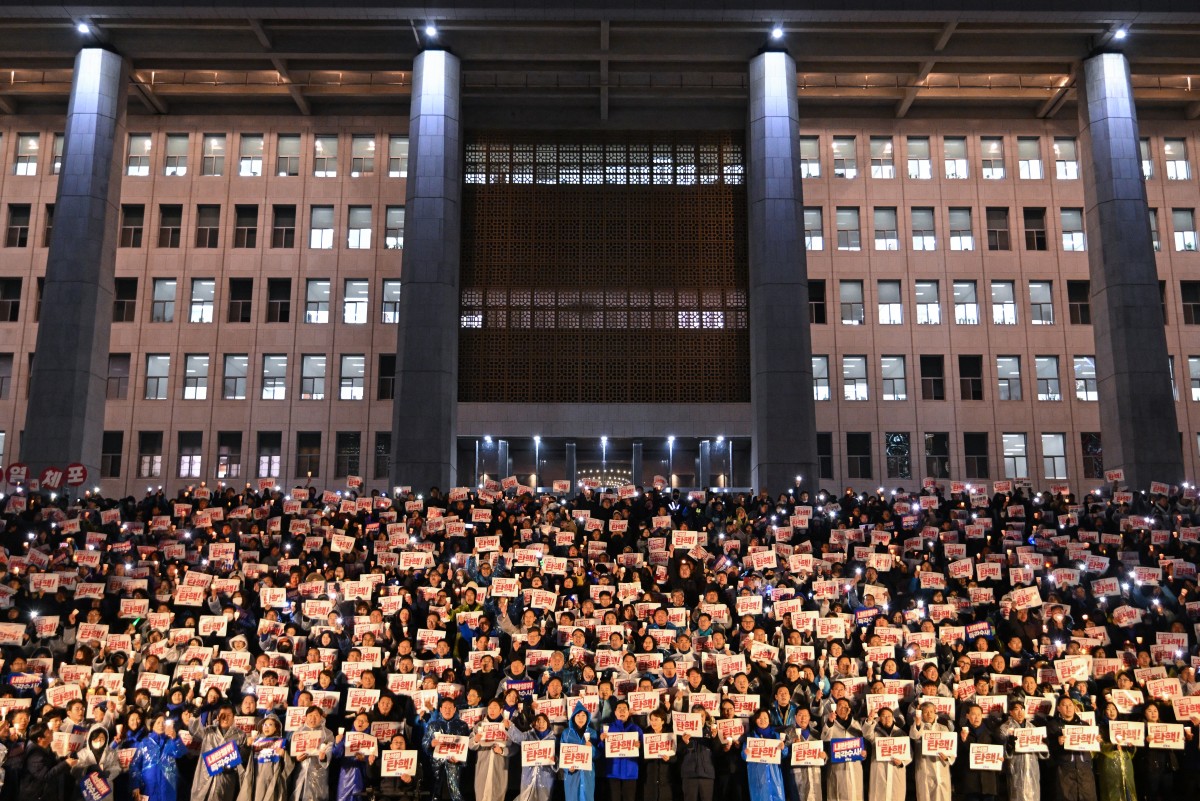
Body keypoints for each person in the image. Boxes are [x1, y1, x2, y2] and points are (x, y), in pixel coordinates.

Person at [190, 703, 248, 801]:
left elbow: (244, 757)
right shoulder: (209, 731)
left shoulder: (240, 735)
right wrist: (195, 717)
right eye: (222, 715)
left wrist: (233, 766)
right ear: (217, 717)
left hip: (225, 781)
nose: (225, 718)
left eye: (229, 715)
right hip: (204, 780)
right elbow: (194, 730)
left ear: (234, 717)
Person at [1047, 695, 1098, 801]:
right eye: (1064, 705)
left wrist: (1096, 739)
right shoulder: (1053, 726)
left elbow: (1092, 748)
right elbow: (1048, 748)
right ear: (1058, 708)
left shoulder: (1085, 725)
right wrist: (1057, 742)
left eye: (1070, 705)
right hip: (1065, 771)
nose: (1068, 708)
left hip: (1085, 770)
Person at [235, 716, 292, 801]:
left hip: (272, 778)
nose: (266, 727)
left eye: (270, 725)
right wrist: (247, 746)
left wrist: (284, 755)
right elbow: (243, 759)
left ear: (276, 728)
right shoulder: (256, 742)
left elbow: (289, 765)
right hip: (256, 778)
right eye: (264, 725)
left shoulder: (282, 742)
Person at [421, 699, 469, 801]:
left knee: (455, 792)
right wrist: (431, 744)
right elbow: (424, 743)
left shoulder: (462, 725)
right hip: (436, 765)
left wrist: (460, 760)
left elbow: (466, 746)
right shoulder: (433, 725)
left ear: (455, 709)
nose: (447, 710)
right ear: (441, 709)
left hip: (454, 764)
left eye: (450, 708)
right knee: (435, 791)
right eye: (445, 708)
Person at [997, 700, 1044, 801]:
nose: (1020, 712)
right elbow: (1002, 750)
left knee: (1033, 795)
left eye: (1022, 709)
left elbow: (1041, 753)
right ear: (1010, 712)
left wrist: (1044, 744)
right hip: (1016, 767)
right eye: (1016, 709)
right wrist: (1009, 744)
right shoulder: (1005, 728)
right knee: (1017, 795)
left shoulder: (1032, 727)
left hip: (1032, 768)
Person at [910, 702, 955, 801]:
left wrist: (947, 757)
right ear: (921, 714)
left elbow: (951, 748)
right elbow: (914, 735)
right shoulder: (919, 727)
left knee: (943, 795)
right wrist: (918, 723)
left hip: (941, 766)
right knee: (925, 795)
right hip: (925, 767)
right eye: (925, 712)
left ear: (935, 712)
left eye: (931, 711)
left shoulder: (943, 728)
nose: (929, 714)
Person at [21, 723, 77, 801]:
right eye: (48, 732)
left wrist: (64, 760)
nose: (52, 733)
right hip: (35, 794)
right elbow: (45, 776)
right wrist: (65, 763)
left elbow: (52, 764)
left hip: (46, 792)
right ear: (40, 739)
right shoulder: (35, 754)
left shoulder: (46, 747)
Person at [469, 699, 511, 801]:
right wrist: (476, 740)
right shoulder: (480, 725)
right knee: (481, 793)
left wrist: (502, 750)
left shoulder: (508, 726)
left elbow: (514, 746)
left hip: (500, 764)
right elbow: (470, 744)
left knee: (498, 792)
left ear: (501, 710)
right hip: (483, 763)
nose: (492, 710)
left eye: (495, 708)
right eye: (490, 708)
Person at [289, 707, 334, 801]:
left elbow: (329, 749)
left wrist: (323, 758)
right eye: (310, 715)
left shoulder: (327, 733)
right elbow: (291, 753)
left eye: (316, 715)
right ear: (305, 717)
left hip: (318, 771)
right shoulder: (298, 733)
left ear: (322, 717)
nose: (312, 718)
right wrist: (296, 759)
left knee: (316, 796)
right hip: (301, 770)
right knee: (298, 795)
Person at [957, 704, 1001, 801]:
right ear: (967, 716)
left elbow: (999, 750)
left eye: (979, 714)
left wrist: (1000, 757)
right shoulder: (961, 733)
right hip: (970, 782)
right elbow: (957, 757)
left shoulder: (990, 733)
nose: (976, 717)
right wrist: (963, 741)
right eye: (973, 714)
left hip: (988, 780)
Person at [863, 707, 908, 801]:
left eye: (889, 716)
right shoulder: (875, 732)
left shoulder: (900, 733)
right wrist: (870, 719)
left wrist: (901, 763)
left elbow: (909, 753)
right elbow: (866, 734)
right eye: (883, 716)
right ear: (879, 718)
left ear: (893, 718)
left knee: (896, 796)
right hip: (879, 770)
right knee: (878, 795)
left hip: (896, 769)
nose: (887, 718)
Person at [821, 698, 863, 801]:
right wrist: (830, 722)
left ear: (849, 708)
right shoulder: (830, 723)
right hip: (837, 768)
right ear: (835, 708)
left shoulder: (856, 724)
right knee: (837, 795)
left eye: (845, 706)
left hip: (854, 766)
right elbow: (824, 737)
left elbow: (863, 742)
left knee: (855, 795)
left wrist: (864, 753)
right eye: (840, 705)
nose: (843, 708)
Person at [600, 701, 642, 801]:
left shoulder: (636, 729)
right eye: (619, 708)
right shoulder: (607, 729)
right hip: (613, 770)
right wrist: (601, 741)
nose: (622, 711)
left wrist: (640, 746)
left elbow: (644, 750)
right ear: (615, 712)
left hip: (630, 771)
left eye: (625, 709)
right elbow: (601, 750)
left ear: (629, 712)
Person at [744, 709, 787, 801]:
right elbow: (744, 755)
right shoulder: (750, 736)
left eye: (765, 718)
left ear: (769, 720)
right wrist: (745, 753)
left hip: (774, 773)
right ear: (755, 720)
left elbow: (784, 754)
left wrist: (783, 748)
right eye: (759, 718)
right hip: (757, 774)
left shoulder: (776, 735)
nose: (763, 720)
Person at [560, 702, 597, 801]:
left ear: (587, 717)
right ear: (573, 717)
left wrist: (591, 748)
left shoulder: (593, 733)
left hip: (587, 773)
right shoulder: (566, 733)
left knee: (587, 797)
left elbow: (598, 755)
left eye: (584, 715)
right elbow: (562, 755)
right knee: (572, 797)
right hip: (572, 774)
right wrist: (568, 769)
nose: (581, 718)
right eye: (578, 715)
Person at [678, 707, 716, 801]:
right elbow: (677, 752)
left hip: (707, 775)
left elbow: (717, 751)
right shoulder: (683, 733)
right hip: (689, 775)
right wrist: (683, 742)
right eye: (696, 716)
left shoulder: (711, 732)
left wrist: (715, 738)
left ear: (705, 716)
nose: (700, 719)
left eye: (702, 716)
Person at [642, 710, 677, 801]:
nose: (653, 722)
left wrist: (669, 758)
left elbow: (676, 757)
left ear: (662, 721)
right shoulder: (646, 735)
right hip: (650, 778)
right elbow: (641, 759)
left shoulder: (670, 736)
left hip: (666, 779)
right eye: (651, 720)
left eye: (656, 719)